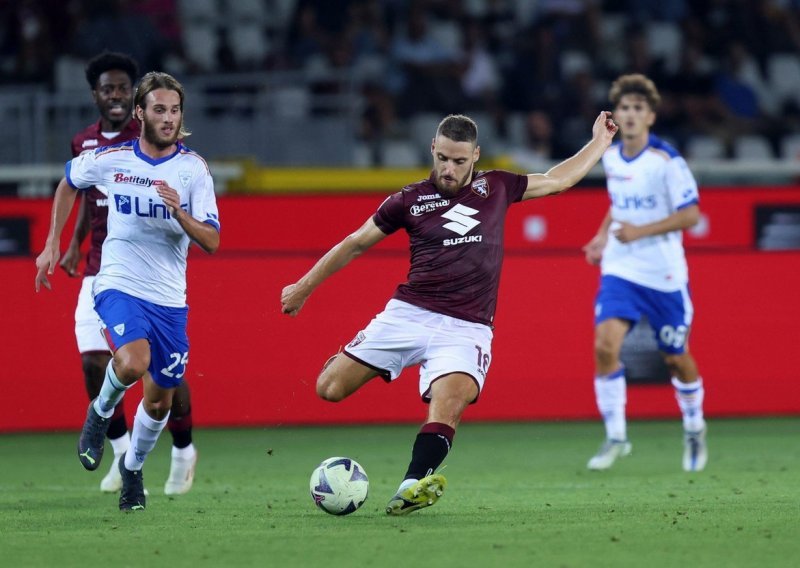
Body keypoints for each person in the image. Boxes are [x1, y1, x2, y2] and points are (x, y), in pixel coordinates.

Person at [281, 111, 618, 515]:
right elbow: (354, 243)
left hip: (467, 327)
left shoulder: (497, 186)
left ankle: (410, 486)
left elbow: (558, 179)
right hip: (408, 314)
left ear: (475, 155)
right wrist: (303, 287)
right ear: (433, 150)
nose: (449, 168)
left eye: (459, 161)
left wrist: (599, 141)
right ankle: (349, 358)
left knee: (449, 405)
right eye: (443, 158)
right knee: (329, 389)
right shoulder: (408, 200)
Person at [35, 71, 220, 511]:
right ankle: (98, 416)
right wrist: (52, 243)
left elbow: (211, 241)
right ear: (141, 113)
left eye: (175, 110)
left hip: (170, 299)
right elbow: (68, 183)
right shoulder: (112, 157)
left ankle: (133, 471)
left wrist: (179, 212)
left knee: (159, 404)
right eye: (159, 109)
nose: (169, 118)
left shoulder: (192, 169)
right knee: (133, 361)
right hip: (116, 282)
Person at [582, 74, 708, 473]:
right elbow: (618, 201)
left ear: (651, 116)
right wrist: (602, 236)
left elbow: (691, 214)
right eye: (625, 108)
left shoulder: (667, 161)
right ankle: (616, 435)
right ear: (615, 115)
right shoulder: (612, 155)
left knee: (676, 358)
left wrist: (641, 231)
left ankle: (693, 425)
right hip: (622, 267)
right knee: (605, 345)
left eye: (639, 109)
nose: (631, 115)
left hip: (664, 274)